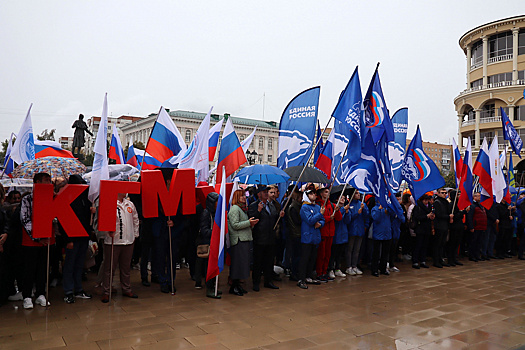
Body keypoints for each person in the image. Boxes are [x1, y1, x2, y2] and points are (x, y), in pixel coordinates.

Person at [20, 172, 53, 309]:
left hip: (47, 241)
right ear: (37, 182)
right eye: (46, 180)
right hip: (30, 241)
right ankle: (27, 296)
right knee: (29, 269)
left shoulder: (50, 199)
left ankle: (40, 294)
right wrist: (39, 236)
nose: (49, 183)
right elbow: (25, 219)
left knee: (43, 268)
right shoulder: (27, 199)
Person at [101, 192, 140, 303]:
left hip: (128, 240)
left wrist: (135, 234)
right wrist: (107, 232)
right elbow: (103, 220)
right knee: (109, 268)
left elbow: (135, 219)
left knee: (126, 267)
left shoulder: (130, 204)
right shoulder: (110, 204)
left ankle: (126, 288)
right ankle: (106, 291)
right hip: (113, 241)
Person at [62, 175, 92, 303]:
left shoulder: (85, 198)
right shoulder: (67, 199)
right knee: (70, 265)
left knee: (79, 265)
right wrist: (67, 240)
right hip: (72, 238)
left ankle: (78, 289)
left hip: (83, 236)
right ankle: (68, 291)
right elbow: (64, 221)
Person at [248, 185, 281, 291]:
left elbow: (274, 218)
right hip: (259, 238)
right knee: (258, 262)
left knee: (269, 261)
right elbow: (252, 218)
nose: (267, 194)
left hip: (270, 238)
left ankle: (268, 281)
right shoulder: (254, 205)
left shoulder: (271, 205)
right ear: (259, 194)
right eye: (264, 192)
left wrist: (280, 215)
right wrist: (258, 210)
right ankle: (256, 283)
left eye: (267, 192)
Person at [228, 190, 258, 296]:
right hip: (238, 240)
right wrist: (248, 222)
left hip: (244, 239)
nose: (244, 198)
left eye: (244, 196)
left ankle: (237, 285)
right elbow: (235, 225)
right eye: (242, 197)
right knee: (237, 264)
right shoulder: (235, 209)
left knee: (241, 264)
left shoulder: (242, 209)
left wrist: (250, 223)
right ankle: (234, 286)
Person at [297, 189, 325, 289]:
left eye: (314, 193)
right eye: (311, 194)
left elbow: (322, 220)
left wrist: (320, 223)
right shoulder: (304, 207)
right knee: (304, 258)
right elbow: (310, 220)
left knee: (313, 258)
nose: (314, 195)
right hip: (307, 236)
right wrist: (320, 214)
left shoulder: (317, 206)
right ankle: (301, 279)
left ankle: (309, 276)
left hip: (315, 236)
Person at [196, 192, 220, 298]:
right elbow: (204, 230)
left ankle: (213, 287)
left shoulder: (215, 212)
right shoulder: (206, 213)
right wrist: (215, 231)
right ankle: (209, 288)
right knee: (208, 267)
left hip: (214, 243)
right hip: (208, 243)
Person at [315, 187, 342, 282]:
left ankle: (325, 272)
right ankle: (319, 273)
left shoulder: (331, 205)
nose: (328, 194)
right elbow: (318, 218)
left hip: (330, 233)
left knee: (327, 254)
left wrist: (337, 210)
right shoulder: (318, 205)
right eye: (326, 192)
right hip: (323, 232)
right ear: (321, 194)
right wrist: (328, 218)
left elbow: (338, 218)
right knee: (321, 254)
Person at [346, 190, 368, 276]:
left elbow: (366, 216)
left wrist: (364, 209)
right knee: (350, 249)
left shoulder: (362, 204)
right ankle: (349, 266)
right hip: (351, 230)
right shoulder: (349, 204)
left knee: (357, 250)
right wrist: (356, 213)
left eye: (359, 193)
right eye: (356, 193)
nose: (358, 195)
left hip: (360, 230)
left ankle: (355, 265)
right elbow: (349, 218)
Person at [329, 196, 350, 278]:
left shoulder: (345, 208)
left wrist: (347, 212)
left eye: (344, 198)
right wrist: (342, 210)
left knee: (339, 254)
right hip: (336, 233)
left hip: (343, 233)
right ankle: (331, 269)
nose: (343, 199)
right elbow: (337, 218)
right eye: (341, 197)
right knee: (333, 253)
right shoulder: (334, 207)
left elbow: (347, 221)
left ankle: (338, 268)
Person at [370, 200, 393, 277]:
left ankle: (383, 268)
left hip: (387, 233)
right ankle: (374, 269)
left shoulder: (387, 208)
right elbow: (375, 218)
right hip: (378, 234)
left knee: (385, 253)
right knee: (376, 253)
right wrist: (380, 209)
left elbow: (393, 215)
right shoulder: (375, 208)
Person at [284, 188, 302, 281]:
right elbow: (297, 221)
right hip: (295, 233)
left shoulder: (297, 206)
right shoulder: (293, 207)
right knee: (295, 255)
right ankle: (293, 272)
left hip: (297, 233)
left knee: (297, 254)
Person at [412, 194, 434, 269]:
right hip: (420, 228)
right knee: (418, 245)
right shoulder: (418, 207)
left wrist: (431, 217)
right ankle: (415, 261)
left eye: (428, 200)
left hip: (427, 228)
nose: (426, 202)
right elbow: (417, 217)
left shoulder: (430, 207)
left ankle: (423, 260)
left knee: (425, 245)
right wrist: (426, 216)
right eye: (425, 200)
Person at [446, 190, 466, 266]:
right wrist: (461, 212)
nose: (459, 196)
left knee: (457, 243)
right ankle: (450, 259)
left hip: (459, 226)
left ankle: (454, 258)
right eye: (458, 195)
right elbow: (454, 216)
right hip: (454, 226)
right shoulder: (451, 205)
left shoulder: (459, 204)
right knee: (452, 243)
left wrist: (463, 211)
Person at [466, 192, 487, 262]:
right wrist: (471, 227)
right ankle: (472, 256)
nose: (479, 197)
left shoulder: (480, 205)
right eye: (478, 196)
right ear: (474, 197)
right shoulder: (472, 206)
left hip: (481, 227)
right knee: (473, 242)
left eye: (480, 196)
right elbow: (469, 217)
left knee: (479, 242)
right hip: (475, 227)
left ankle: (477, 255)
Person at [432, 188, 450, 268]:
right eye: (442, 193)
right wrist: (448, 216)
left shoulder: (445, 202)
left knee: (442, 244)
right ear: (438, 193)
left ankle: (440, 259)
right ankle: (436, 261)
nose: (444, 194)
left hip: (445, 226)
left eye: (445, 193)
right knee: (437, 244)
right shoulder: (437, 202)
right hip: (439, 226)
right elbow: (438, 215)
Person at [388, 193, 406, 272]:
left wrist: (399, 213)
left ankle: (392, 264)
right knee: (387, 248)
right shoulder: (390, 207)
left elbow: (403, 219)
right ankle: (386, 263)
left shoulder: (400, 208)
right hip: (389, 231)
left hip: (396, 231)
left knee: (393, 248)